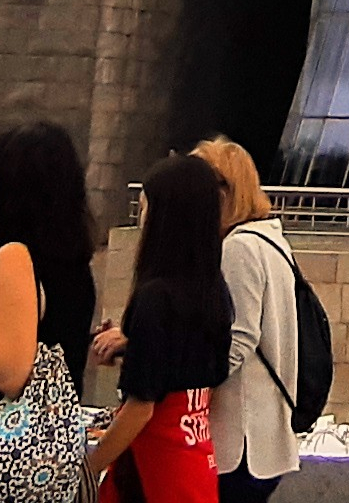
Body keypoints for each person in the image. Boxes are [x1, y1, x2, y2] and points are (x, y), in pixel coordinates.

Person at [0, 122, 100, 498]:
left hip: (4, 451)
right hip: (60, 458)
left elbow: (10, 374)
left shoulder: (15, 257)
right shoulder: (76, 262)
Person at [89, 155, 231, 503]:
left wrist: (87, 469)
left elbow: (141, 407)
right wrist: (131, 348)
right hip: (195, 463)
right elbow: (190, 368)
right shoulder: (215, 290)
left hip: (155, 473)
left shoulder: (154, 296)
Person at [195, 137, 303, 502]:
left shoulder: (239, 248)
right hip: (263, 438)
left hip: (239, 441)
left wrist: (187, 378)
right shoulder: (270, 241)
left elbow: (238, 339)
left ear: (223, 193)